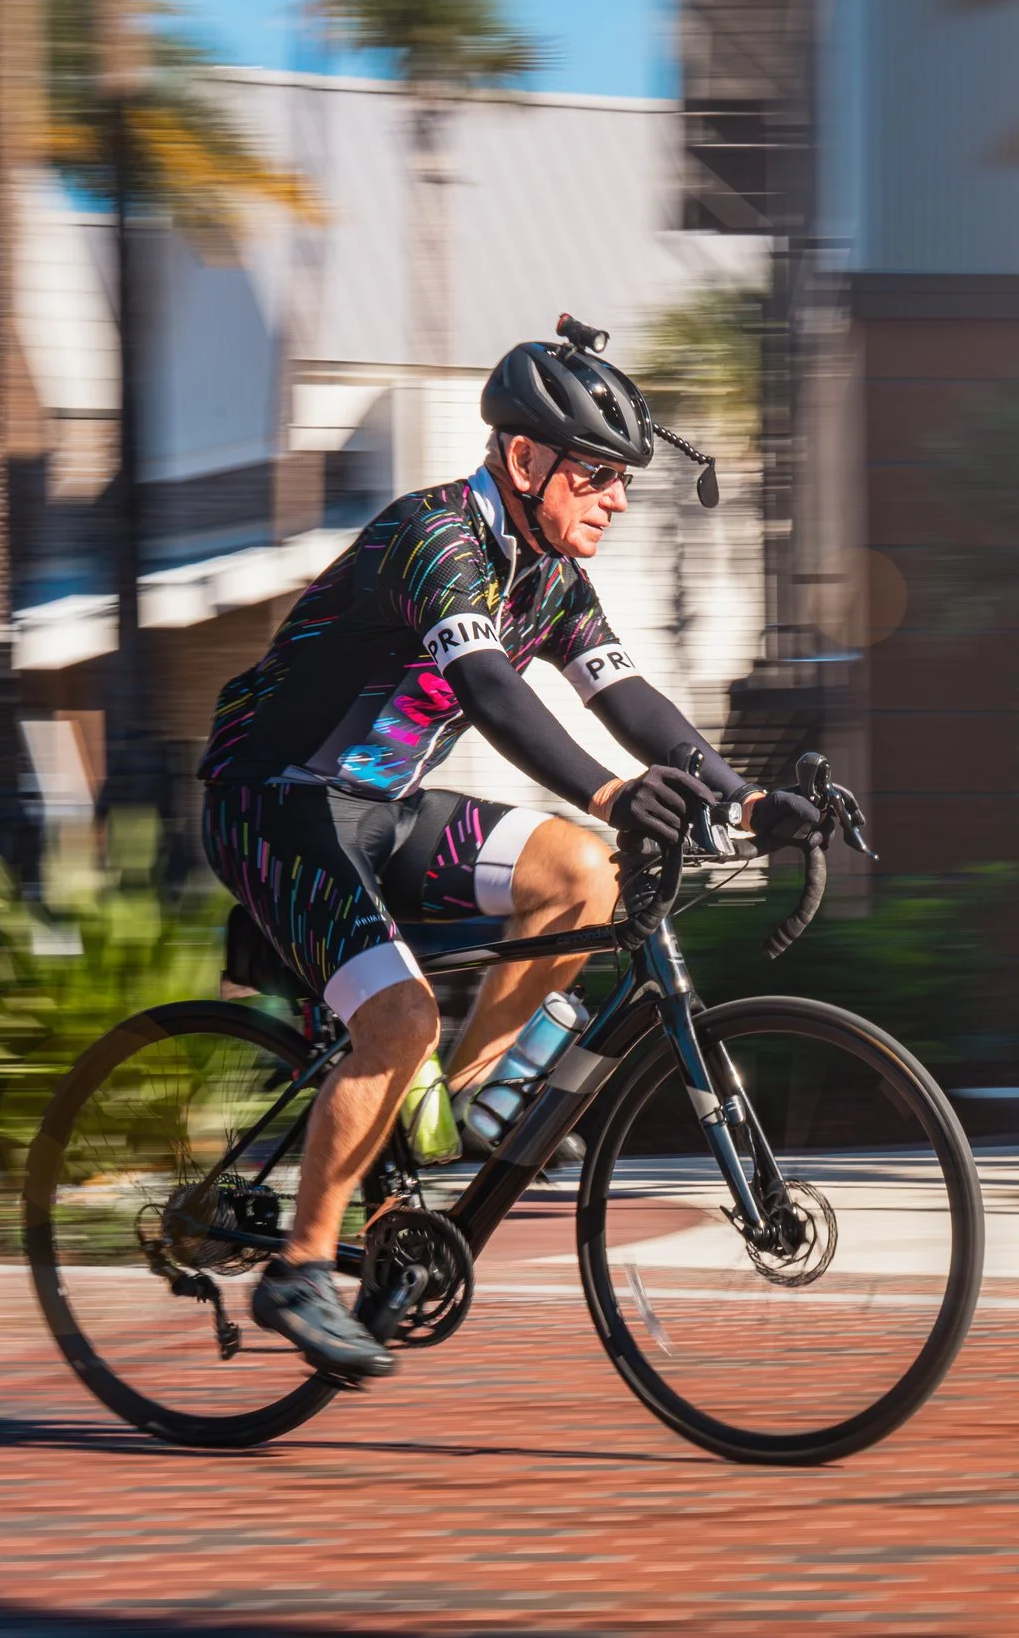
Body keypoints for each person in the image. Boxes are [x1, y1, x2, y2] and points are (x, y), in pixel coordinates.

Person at [196, 320, 821, 1381]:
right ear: (523, 459)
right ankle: (299, 1268)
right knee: (399, 1014)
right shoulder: (432, 540)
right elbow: (489, 693)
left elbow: (626, 694)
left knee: (585, 869)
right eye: (595, 477)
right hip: (272, 804)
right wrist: (614, 788)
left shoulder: (548, 571)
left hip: (379, 806)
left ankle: (460, 1102)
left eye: (621, 480)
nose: (615, 500)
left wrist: (746, 799)